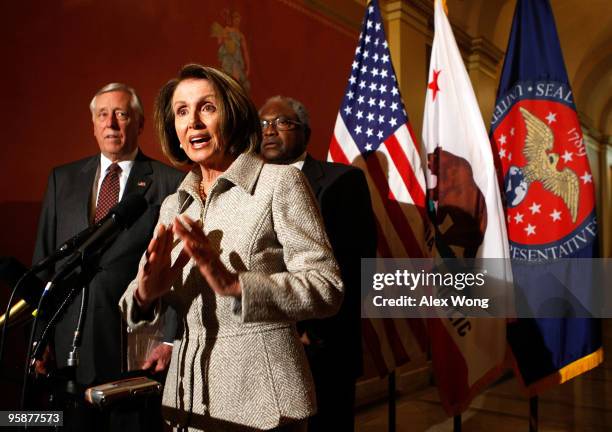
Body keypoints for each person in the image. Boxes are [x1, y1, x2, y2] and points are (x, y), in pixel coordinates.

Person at [119, 64, 344, 432]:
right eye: (181, 111)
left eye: (207, 107)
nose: (193, 121)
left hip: (263, 405)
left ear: (233, 115)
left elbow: (327, 287)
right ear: (174, 130)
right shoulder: (175, 205)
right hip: (186, 402)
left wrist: (237, 285)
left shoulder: (279, 182)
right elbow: (135, 301)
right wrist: (145, 292)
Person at [32, 83, 185, 430]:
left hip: (133, 347)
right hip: (70, 345)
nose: (112, 123)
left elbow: (179, 269)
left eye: (121, 114)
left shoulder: (169, 183)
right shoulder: (62, 180)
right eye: (103, 115)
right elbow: (44, 262)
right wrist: (40, 338)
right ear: (93, 124)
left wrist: (168, 339)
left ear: (140, 123)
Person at [258, 96, 377, 431]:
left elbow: (357, 261)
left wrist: (315, 330)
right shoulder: (247, 189)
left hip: (324, 342)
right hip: (267, 340)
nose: (269, 130)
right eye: (263, 124)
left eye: (281, 122)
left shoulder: (342, 181)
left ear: (305, 133)